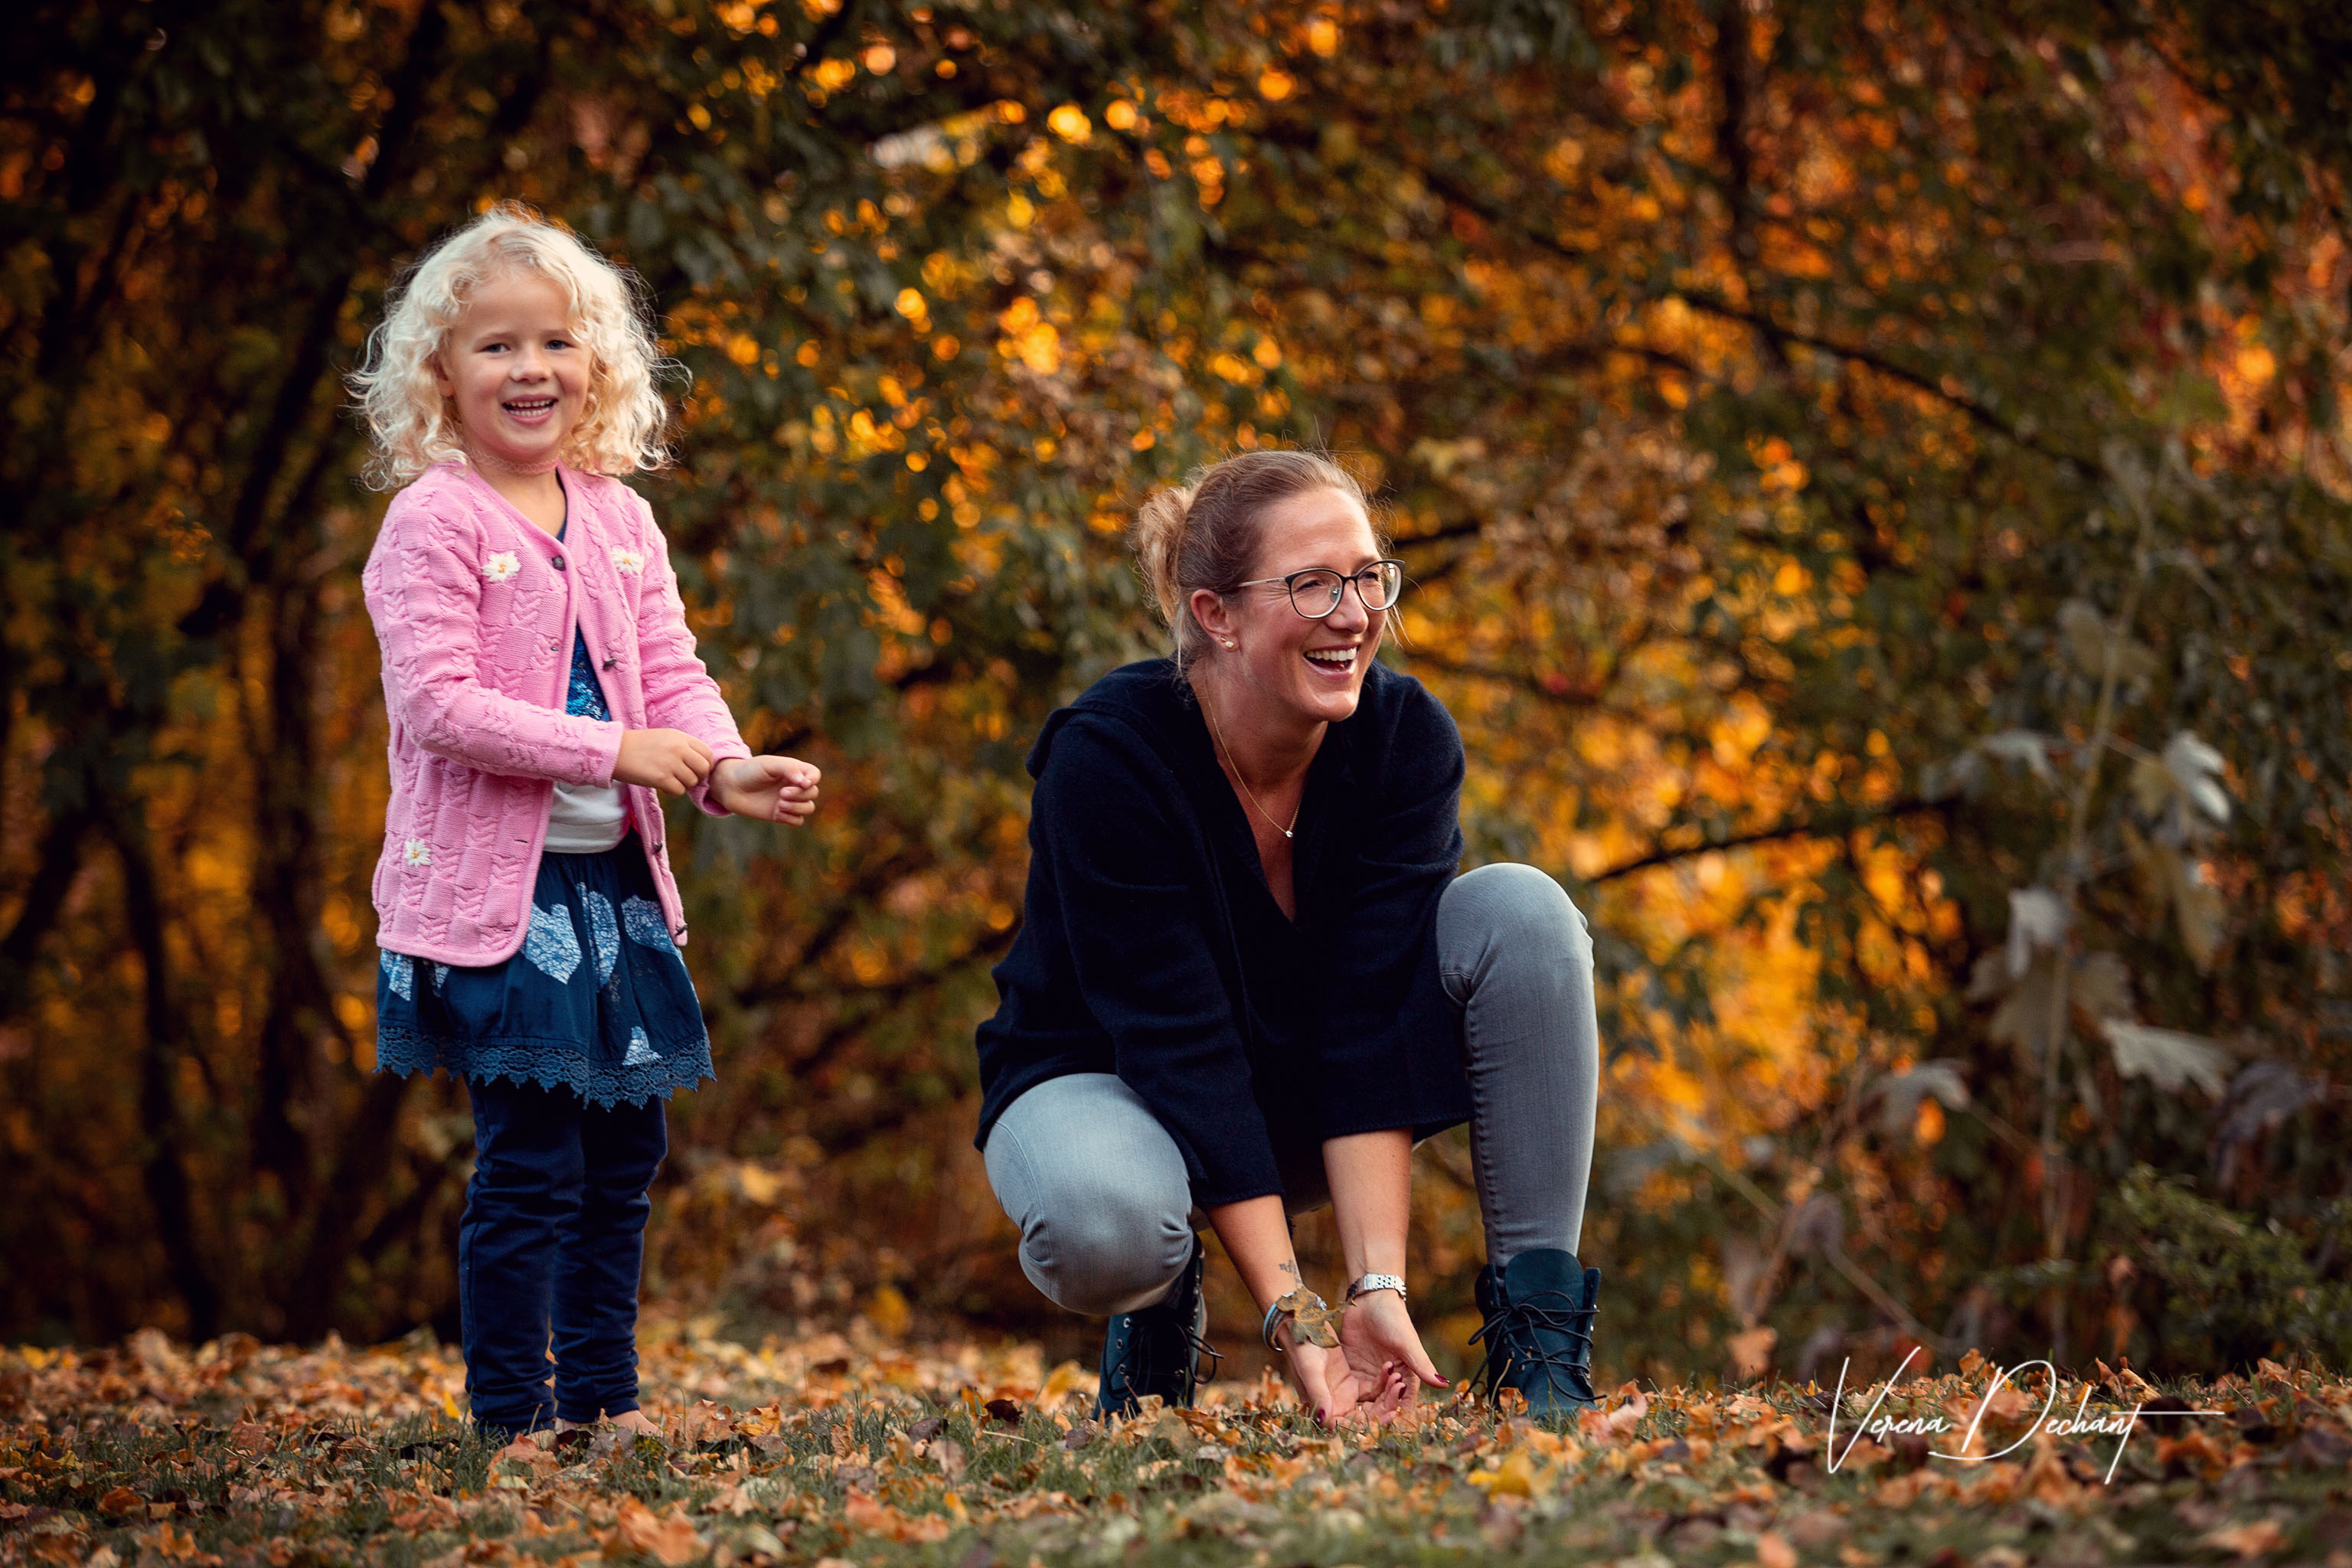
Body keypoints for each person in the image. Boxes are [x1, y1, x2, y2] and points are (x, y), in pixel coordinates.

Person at [973, 449, 1605, 1425]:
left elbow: (1368, 1017)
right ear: (1214, 613)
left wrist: (1375, 1287)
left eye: (1366, 577)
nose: (1352, 613)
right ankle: (1155, 1302)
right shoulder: (1107, 759)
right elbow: (1181, 1046)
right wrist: (1294, 1316)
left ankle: (1543, 1345)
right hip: (1110, 1083)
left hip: (1298, 1088)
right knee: (1112, 1226)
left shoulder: (1404, 740)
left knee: (1525, 911)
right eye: (1311, 584)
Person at [351, 204, 821, 1439]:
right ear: (441, 371)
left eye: (555, 343)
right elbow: (440, 703)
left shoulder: (616, 516)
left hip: (612, 888)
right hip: (494, 905)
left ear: (595, 364)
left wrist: (723, 767)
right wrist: (614, 747)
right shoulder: (434, 522)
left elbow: (670, 669)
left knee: (625, 1156)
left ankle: (605, 1403)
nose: (529, 369)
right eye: (496, 346)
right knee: (531, 1166)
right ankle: (512, 1415)